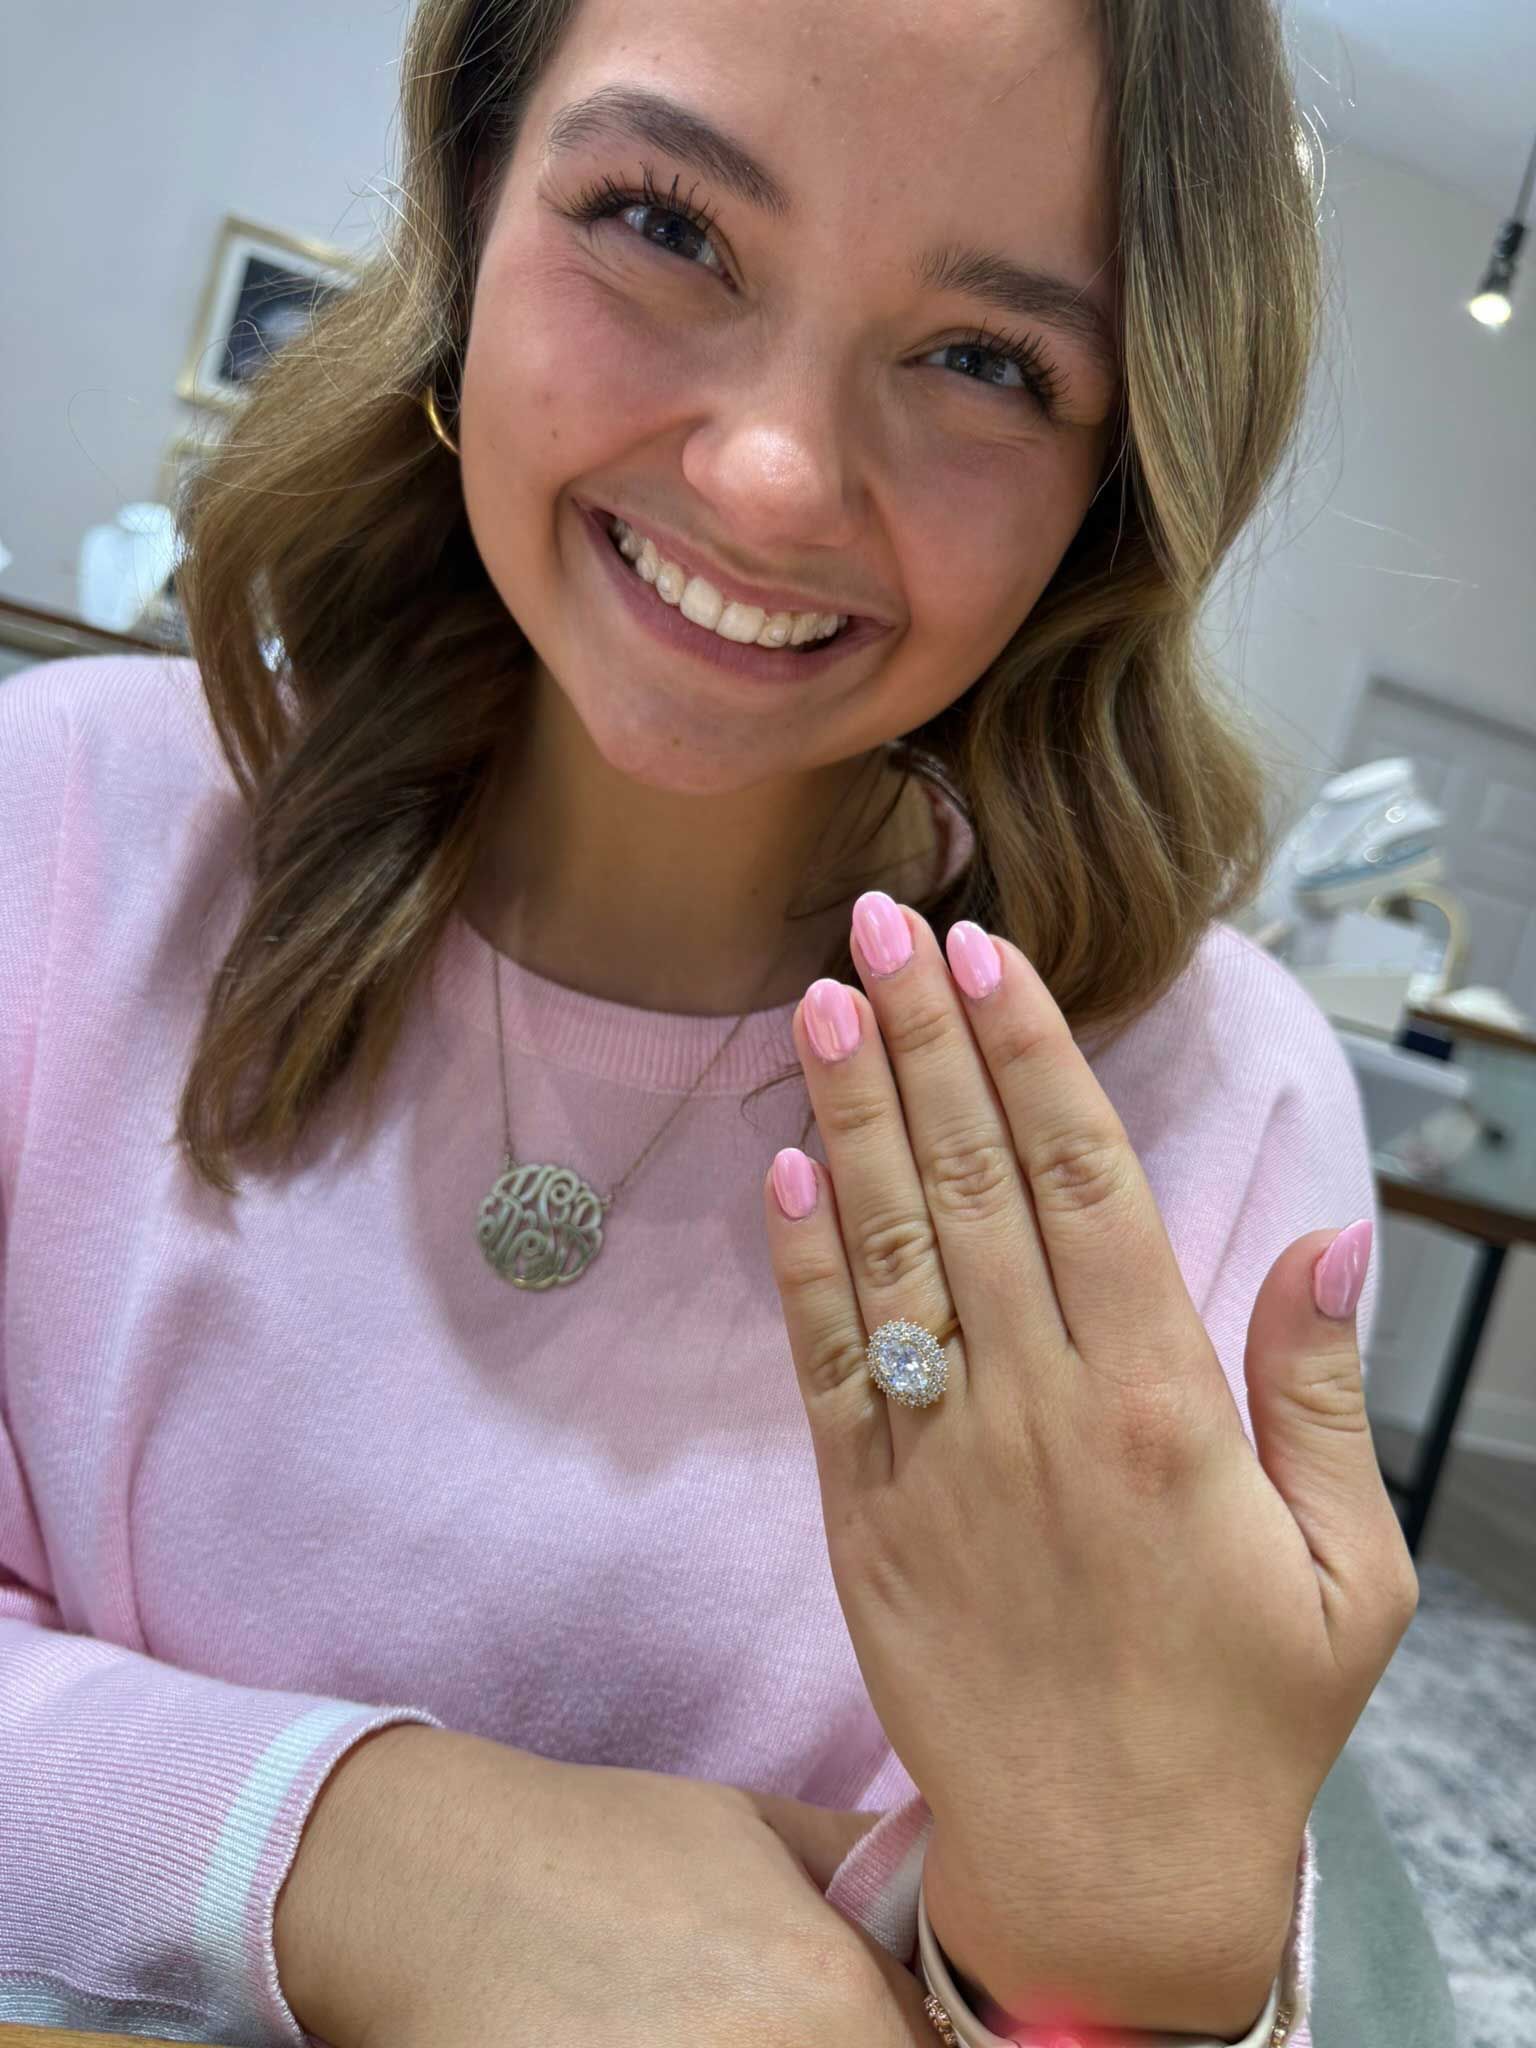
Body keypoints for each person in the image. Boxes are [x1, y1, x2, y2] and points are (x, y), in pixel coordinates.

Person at [0, 0, 1418, 2042]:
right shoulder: (63, 827)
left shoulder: (1203, 1117)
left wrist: (1161, 1960)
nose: (768, 477)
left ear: (1117, 484)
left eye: (987, 361)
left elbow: (1101, 1964)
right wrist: (369, 1857)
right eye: (664, 223)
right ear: (477, 193)